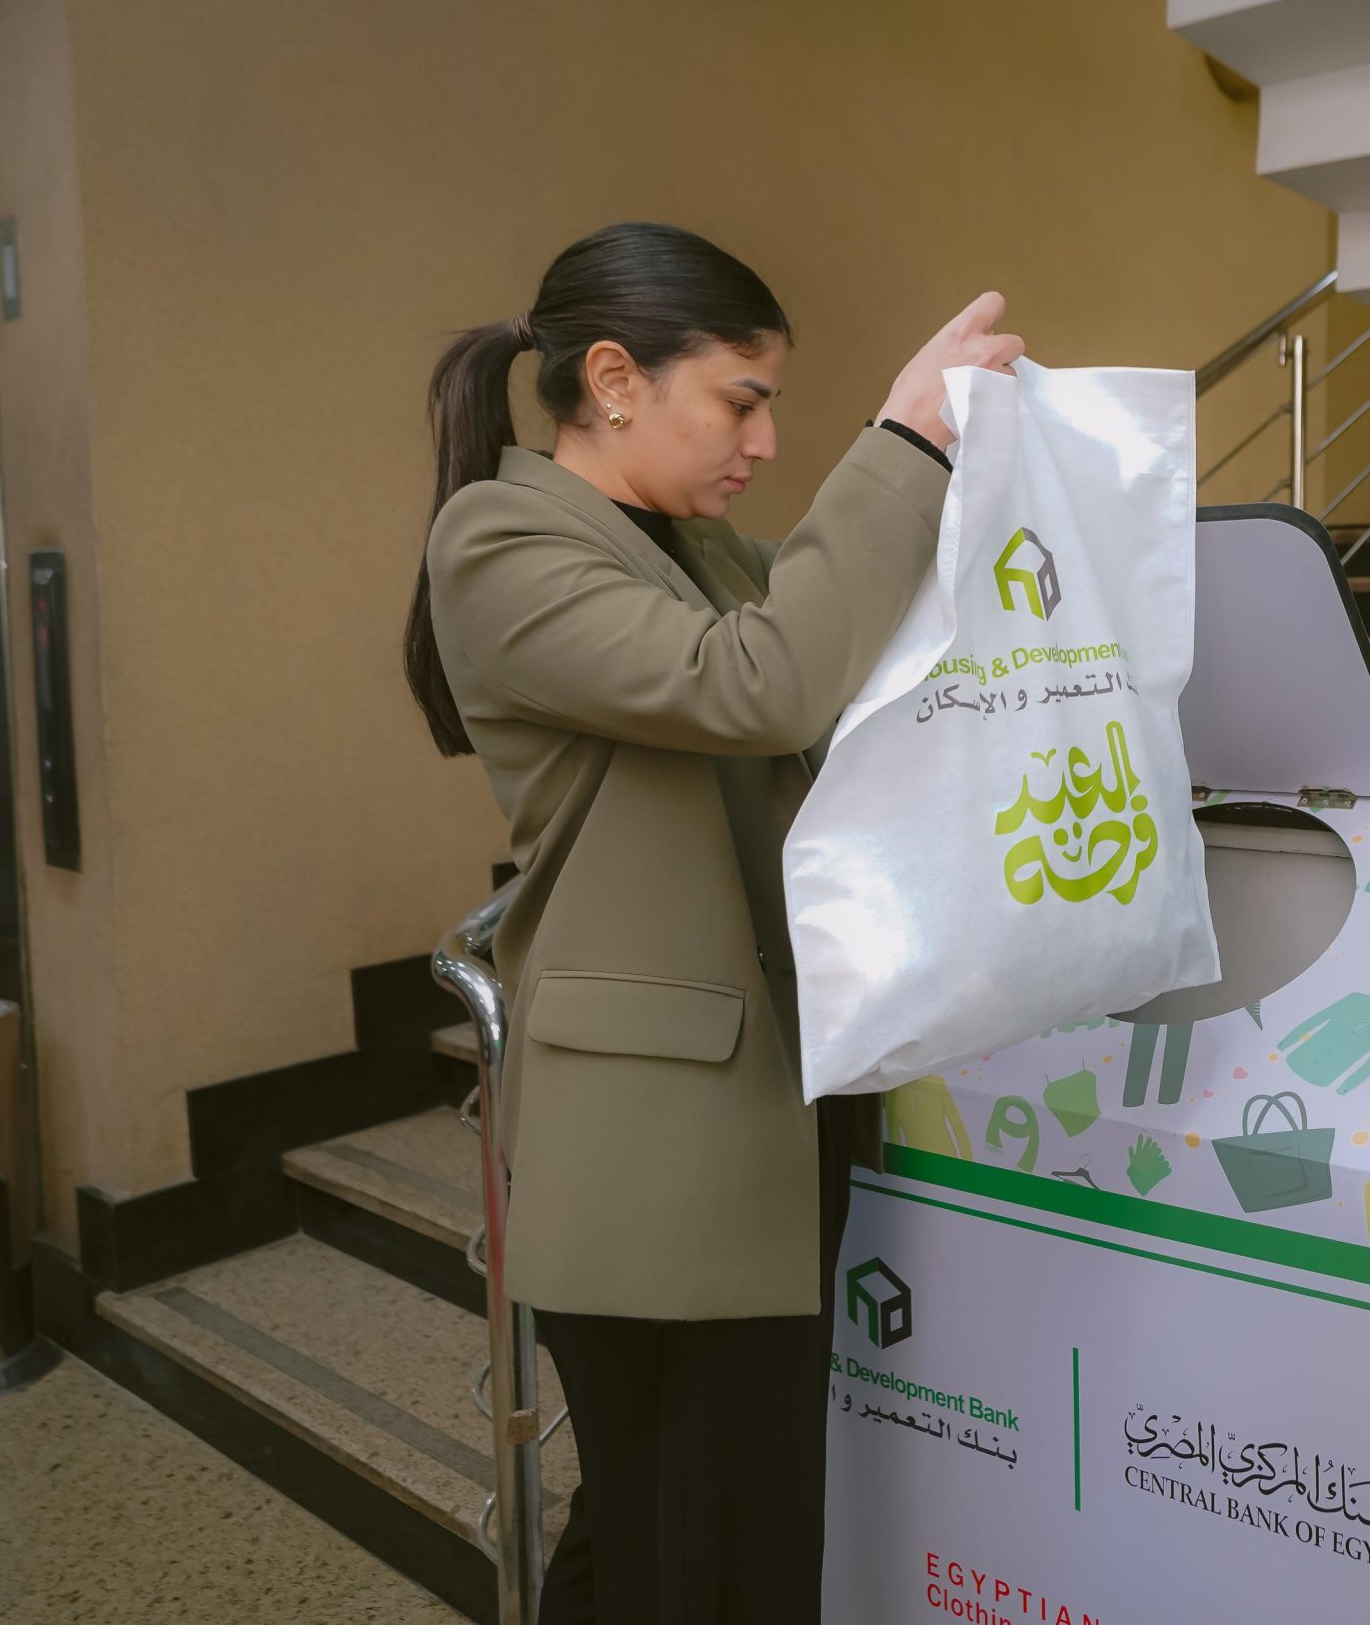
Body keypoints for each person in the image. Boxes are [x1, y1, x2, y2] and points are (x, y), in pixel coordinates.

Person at [401, 221, 1019, 1622]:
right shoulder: (497, 540)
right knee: (709, 1550)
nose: (765, 441)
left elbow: (854, 638)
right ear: (615, 380)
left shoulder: (702, 550)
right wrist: (902, 442)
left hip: (764, 1104)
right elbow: (763, 682)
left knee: (673, 1530)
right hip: (656, 1147)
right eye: (742, 400)